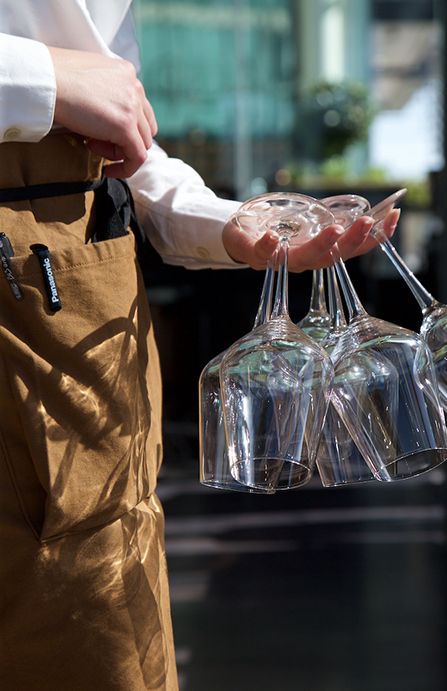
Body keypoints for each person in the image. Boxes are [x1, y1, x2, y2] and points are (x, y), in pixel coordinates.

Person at [0, 2, 400, 690]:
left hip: (71, 295)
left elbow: (123, 151)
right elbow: (79, 88)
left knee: (99, 615)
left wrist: (228, 222)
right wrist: (43, 78)